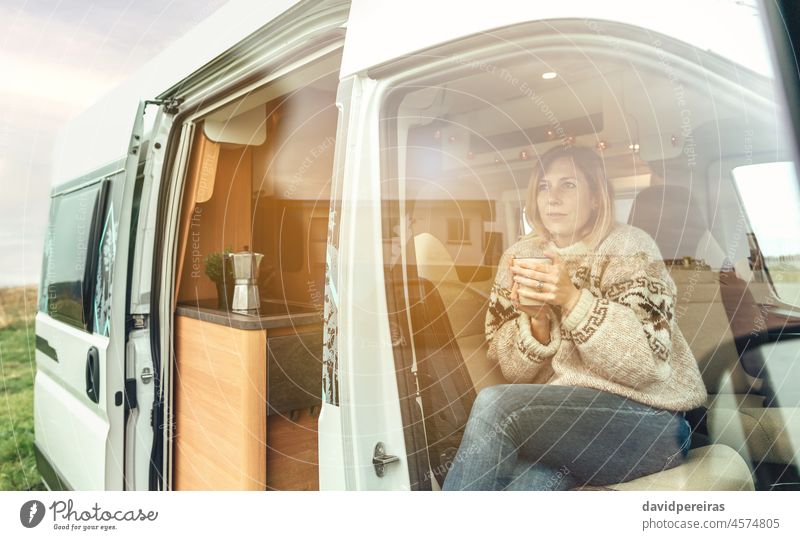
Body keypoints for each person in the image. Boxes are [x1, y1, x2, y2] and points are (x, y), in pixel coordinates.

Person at [441, 145, 708, 490]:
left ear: (596, 197)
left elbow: (645, 364)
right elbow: (511, 370)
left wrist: (572, 300)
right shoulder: (521, 256)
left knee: (497, 406)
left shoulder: (630, 248)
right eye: (543, 186)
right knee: (530, 484)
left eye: (568, 185)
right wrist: (537, 322)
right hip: (565, 424)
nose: (552, 197)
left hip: (653, 424)